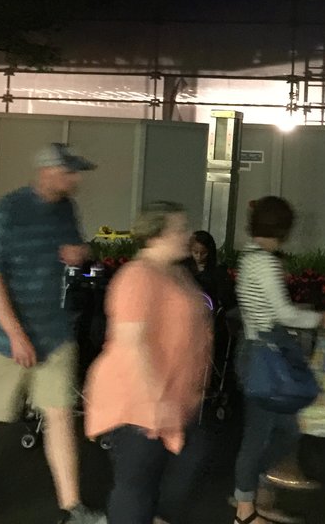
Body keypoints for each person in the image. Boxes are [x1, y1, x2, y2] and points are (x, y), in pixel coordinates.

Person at [0, 143, 105, 522]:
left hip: (54, 332)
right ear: (48, 172)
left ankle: (72, 507)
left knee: (60, 415)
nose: (76, 179)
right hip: (6, 338)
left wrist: (80, 254)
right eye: (69, 172)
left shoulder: (66, 208)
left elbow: (75, 249)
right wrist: (16, 335)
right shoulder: (8, 212)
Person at [84, 201, 213, 524]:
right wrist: (157, 400)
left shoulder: (177, 273)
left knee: (183, 468)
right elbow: (132, 344)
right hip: (138, 403)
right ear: (156, 235)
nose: (187, 235)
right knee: (137, 487)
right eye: (179, 229)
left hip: (173, 400)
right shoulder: (137, 277)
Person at [232, 196, 325, 524]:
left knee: (285, 428)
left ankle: (252, 494)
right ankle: (245, 510)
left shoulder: (250, 256)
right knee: (262, 433)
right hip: (265, 355)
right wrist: (321, 319)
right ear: (283, 229)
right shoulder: (265, 262)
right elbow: (283, 313)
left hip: (255, 350)